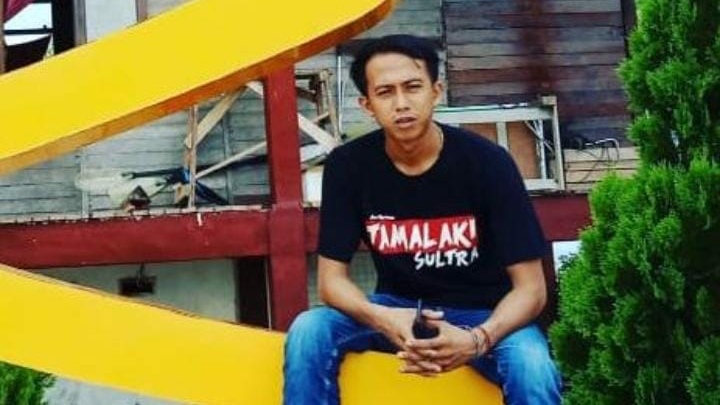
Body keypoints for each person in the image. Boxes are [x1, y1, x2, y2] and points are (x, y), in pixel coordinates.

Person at [283, 34, 562, 404]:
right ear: (367, 105)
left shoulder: (488, 163)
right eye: (385, 92)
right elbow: (331, 283)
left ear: (436, 91)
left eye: (413, 87)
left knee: (533, 366)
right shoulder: (348, 166)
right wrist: (383, 318)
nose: (401, 104)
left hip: (486, 313)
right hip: (396, 307)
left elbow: (531, 289)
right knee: (309, 330)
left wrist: (477, 339)